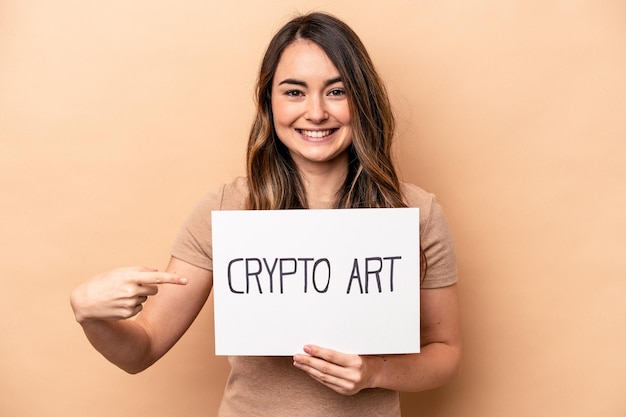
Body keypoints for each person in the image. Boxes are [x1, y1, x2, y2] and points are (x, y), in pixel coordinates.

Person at [70, 11, 461, 417]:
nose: (315, 112)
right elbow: (143, 348)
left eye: (336, 91)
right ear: (268, 103)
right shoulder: (225, 210)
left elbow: (445, 352)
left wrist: (373, 373)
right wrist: (91, 316)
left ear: (362, 100)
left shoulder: (416, 213)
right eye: (294, 92)